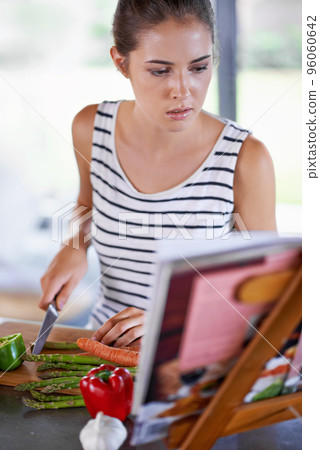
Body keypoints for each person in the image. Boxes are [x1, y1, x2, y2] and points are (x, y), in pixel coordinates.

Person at [39, 0, 276, 348]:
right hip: (102, 358)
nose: (182, 90)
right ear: (121, 62)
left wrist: (170, 323)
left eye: (199, 67)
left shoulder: (244, 157)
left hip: (192, 367)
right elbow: (87, 205)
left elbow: (266, 297)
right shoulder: (91, 128)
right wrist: (74, 246)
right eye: (160, 70)